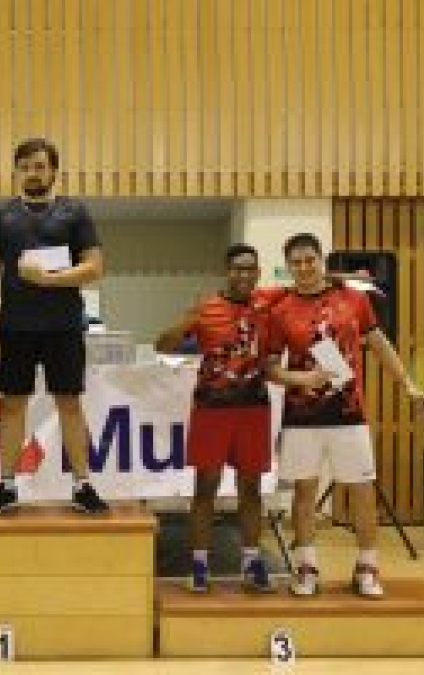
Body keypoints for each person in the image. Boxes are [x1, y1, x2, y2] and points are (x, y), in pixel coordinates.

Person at [267, 232, 424, 597]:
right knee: (305, 492)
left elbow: (379, 342)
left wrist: (407, 384)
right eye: (296, 262)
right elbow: (271, 368)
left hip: (349, 413)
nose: (304, 268)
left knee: (362, 491)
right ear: (288, 266)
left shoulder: (353, 299)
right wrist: (301, 377)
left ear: (321, 260)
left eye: (310, 260)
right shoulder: (280, 309)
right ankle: (307, 566)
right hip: (302, 417)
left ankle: (367, 567)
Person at [0, 137, 108, 514]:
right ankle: (5, 485)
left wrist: (48, 279)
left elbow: (95, 267)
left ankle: (82, 485)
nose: (33, 173)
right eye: (26, 166)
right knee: (11, 404)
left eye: (40, 166)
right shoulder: (1, 217)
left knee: (69, 403)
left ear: (53, 171)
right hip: (14, 328)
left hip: (63, 325)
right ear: (17, 171)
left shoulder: (75, 213)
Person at [156, 244, 283, 594]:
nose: (243, 275)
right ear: (226, 272)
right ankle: (199, 566)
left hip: (254, 409)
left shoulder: (267, 304)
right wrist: (189, 318)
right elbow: (162, 345)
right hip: (212, 408)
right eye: (237, 269)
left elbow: (310, 284)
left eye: (249, 269)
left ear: (257, 273)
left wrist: (349, 278)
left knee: (251, 490)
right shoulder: (207, 306)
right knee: (205, 489)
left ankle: (251, 562)